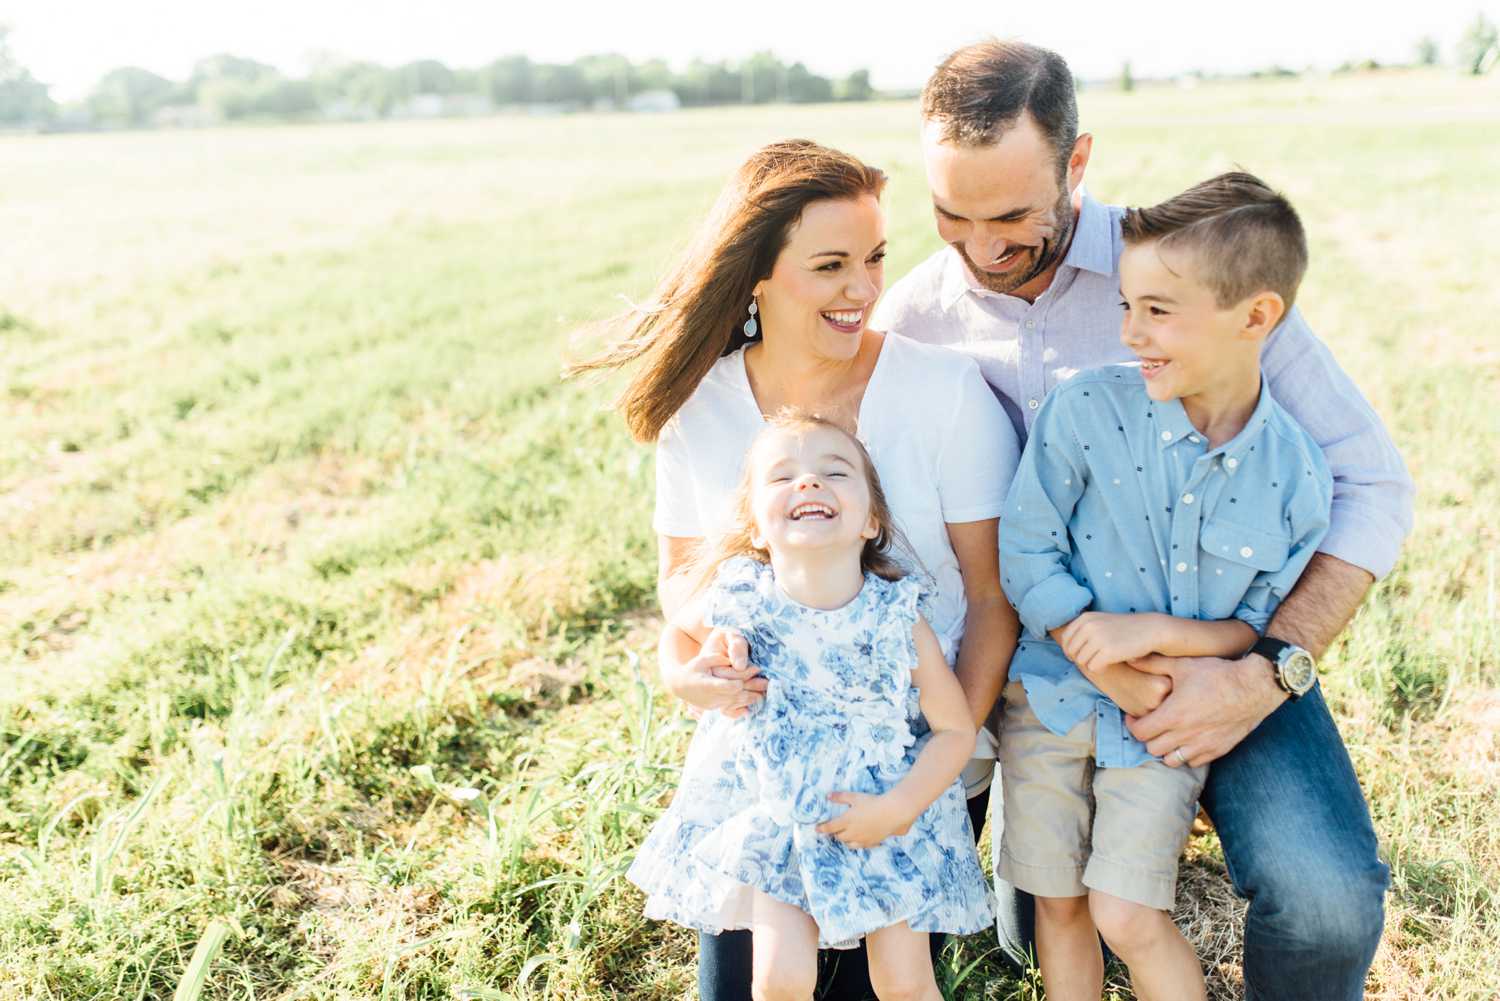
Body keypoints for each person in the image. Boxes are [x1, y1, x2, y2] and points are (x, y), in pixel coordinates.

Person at [873, 40, 1413, 1000]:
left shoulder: (1187, 277)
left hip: (1220, 649)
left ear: (1078, 165)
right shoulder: (912, 319)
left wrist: (1258, 673)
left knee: (1327, 898)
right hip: (1042, 674)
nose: (983, 248)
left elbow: (1372, 482)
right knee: (1034, 927)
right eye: (952, 215)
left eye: (1012, 215)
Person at [574, 139, 1021, 999]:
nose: (864, 288)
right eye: (831, 266)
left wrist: (930, 777)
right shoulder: (698, 408)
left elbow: (993, 600)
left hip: (913, 763)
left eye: (875, 258)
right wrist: (689, 671)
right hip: (768, 777)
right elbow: (681, 586)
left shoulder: (944, 393)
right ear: (758, 276)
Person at [999, 172, 1332, 1001]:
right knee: (1060, 903)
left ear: (1257, 317)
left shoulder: (1295, 477)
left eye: (1159, 311)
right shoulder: (1084, 412)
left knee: (1125, 909)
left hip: (1162, 723)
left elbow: (1257, 626)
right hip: (1050, 700)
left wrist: (1147, 636)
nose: (1132, 332)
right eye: (1127, 306)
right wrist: (1094, 646)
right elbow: (1027, 548)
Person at [629, 414, 993, 1001]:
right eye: (783, 477)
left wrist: (900, 807)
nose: (808, 484)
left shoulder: (895, 614)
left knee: (902, 982)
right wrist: (685, 680)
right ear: (754, 523)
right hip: (780, 807)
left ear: (870, 520)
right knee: (779, 979)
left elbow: (954, 729)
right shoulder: (744, 592)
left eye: (834, 471)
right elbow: (678, 635)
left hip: (883, 810)